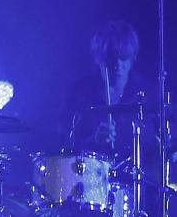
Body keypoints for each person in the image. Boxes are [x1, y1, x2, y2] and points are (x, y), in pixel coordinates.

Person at [58, 20, 155, 155]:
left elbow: (167, 137)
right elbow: (64, 143)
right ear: (98, 58)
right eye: (111, 58)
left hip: (136, 172)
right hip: (92, 174)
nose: (117, 64)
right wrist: (93, 140)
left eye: (123, 57)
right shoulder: (79, 93)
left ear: (133, 58)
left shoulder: (147, 93)